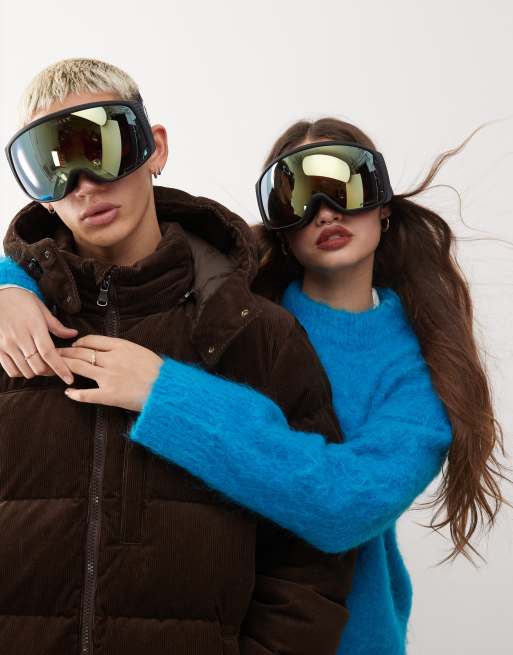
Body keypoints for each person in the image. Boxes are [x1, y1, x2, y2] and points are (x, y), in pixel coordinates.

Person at [0, 106, 505, 655]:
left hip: (353, 639)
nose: (325, 212)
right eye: (296, 196)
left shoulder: (424, 368)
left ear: (383, 204)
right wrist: (10, 285)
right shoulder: (239, 317)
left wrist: (166, 395)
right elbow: (111, 257)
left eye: (345, 184)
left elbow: (345, 505)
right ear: (279, 226)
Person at [0, 59, 358, 655]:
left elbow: (314, 548)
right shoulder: (9, 330)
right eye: (52, 165)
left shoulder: (255, 333)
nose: (84, 184)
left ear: (155, 147)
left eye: (103, 147)